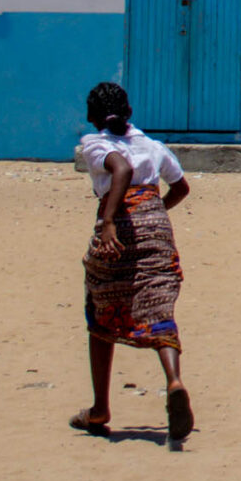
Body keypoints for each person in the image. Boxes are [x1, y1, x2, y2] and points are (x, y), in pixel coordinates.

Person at [73, 81, 194, 441]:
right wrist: (153, 212)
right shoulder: (152, 146)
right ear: (129, 112)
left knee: (103, 306)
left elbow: (121, 170)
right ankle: (174, 381)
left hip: (119, 228)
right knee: (158, 306)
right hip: (157, 228)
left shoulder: (95, 144)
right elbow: (181, 187)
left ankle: (100, 409)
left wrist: (111, 220)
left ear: (93, 116)